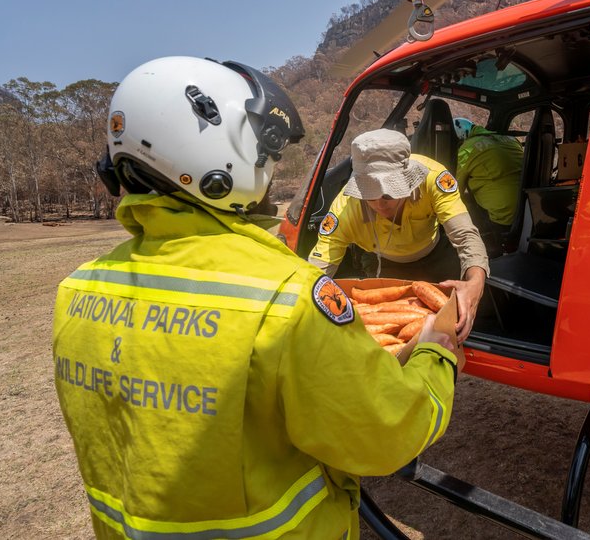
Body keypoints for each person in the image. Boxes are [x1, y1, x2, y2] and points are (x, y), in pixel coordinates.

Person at [53, 57, 459, 539]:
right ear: (223, 154)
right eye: (263, 152)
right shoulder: (285, 300)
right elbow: (387, 434)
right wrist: (436, 352)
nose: (267, 168)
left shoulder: (76, 289)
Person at [308, 129, 488, 341]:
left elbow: (465, 235)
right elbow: (317, 270)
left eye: (388, 193)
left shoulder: (434, 178)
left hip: (436, 255)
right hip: (384, 264)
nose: (380, 204)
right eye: (369, 196)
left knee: (455, 321)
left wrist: (475, 283)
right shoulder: (344, 210)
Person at [453, 117, 524, 255]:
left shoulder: (467, 148)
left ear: (460, 138)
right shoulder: (511, 140)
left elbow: (454, 190)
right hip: (525, 210)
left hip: (502, 216)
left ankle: (479, 253)